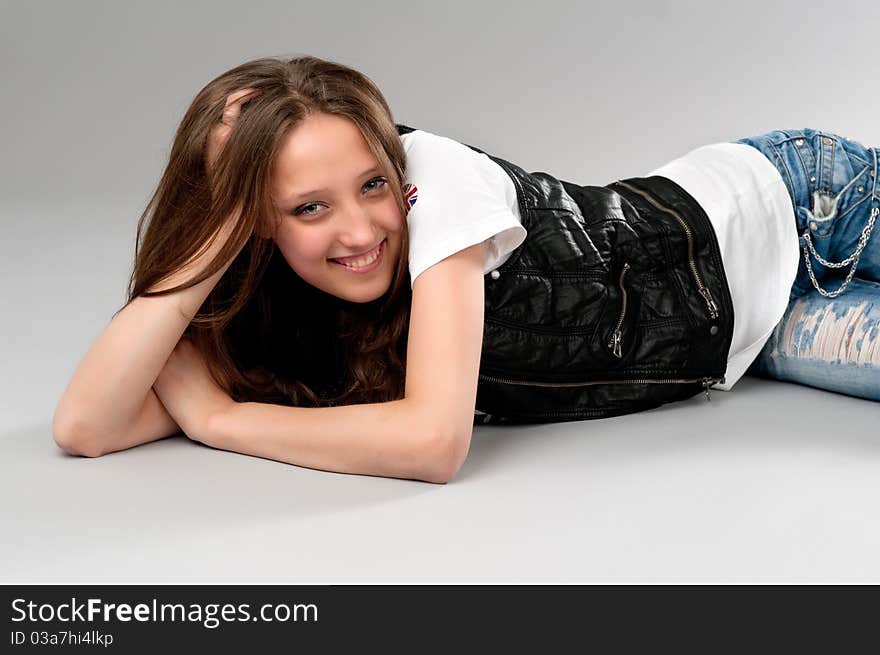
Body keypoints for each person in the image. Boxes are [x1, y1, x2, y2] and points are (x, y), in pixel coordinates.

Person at [51, 55, 879, 484]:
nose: (362, 229)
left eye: (372, 184)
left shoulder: (435, 182)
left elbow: (432, 442)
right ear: (256, 228)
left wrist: (221, 422)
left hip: (803, 202)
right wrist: (214, 227)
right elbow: (88, 427)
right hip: (752, 331)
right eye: (308, 208)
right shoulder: (273, 303)